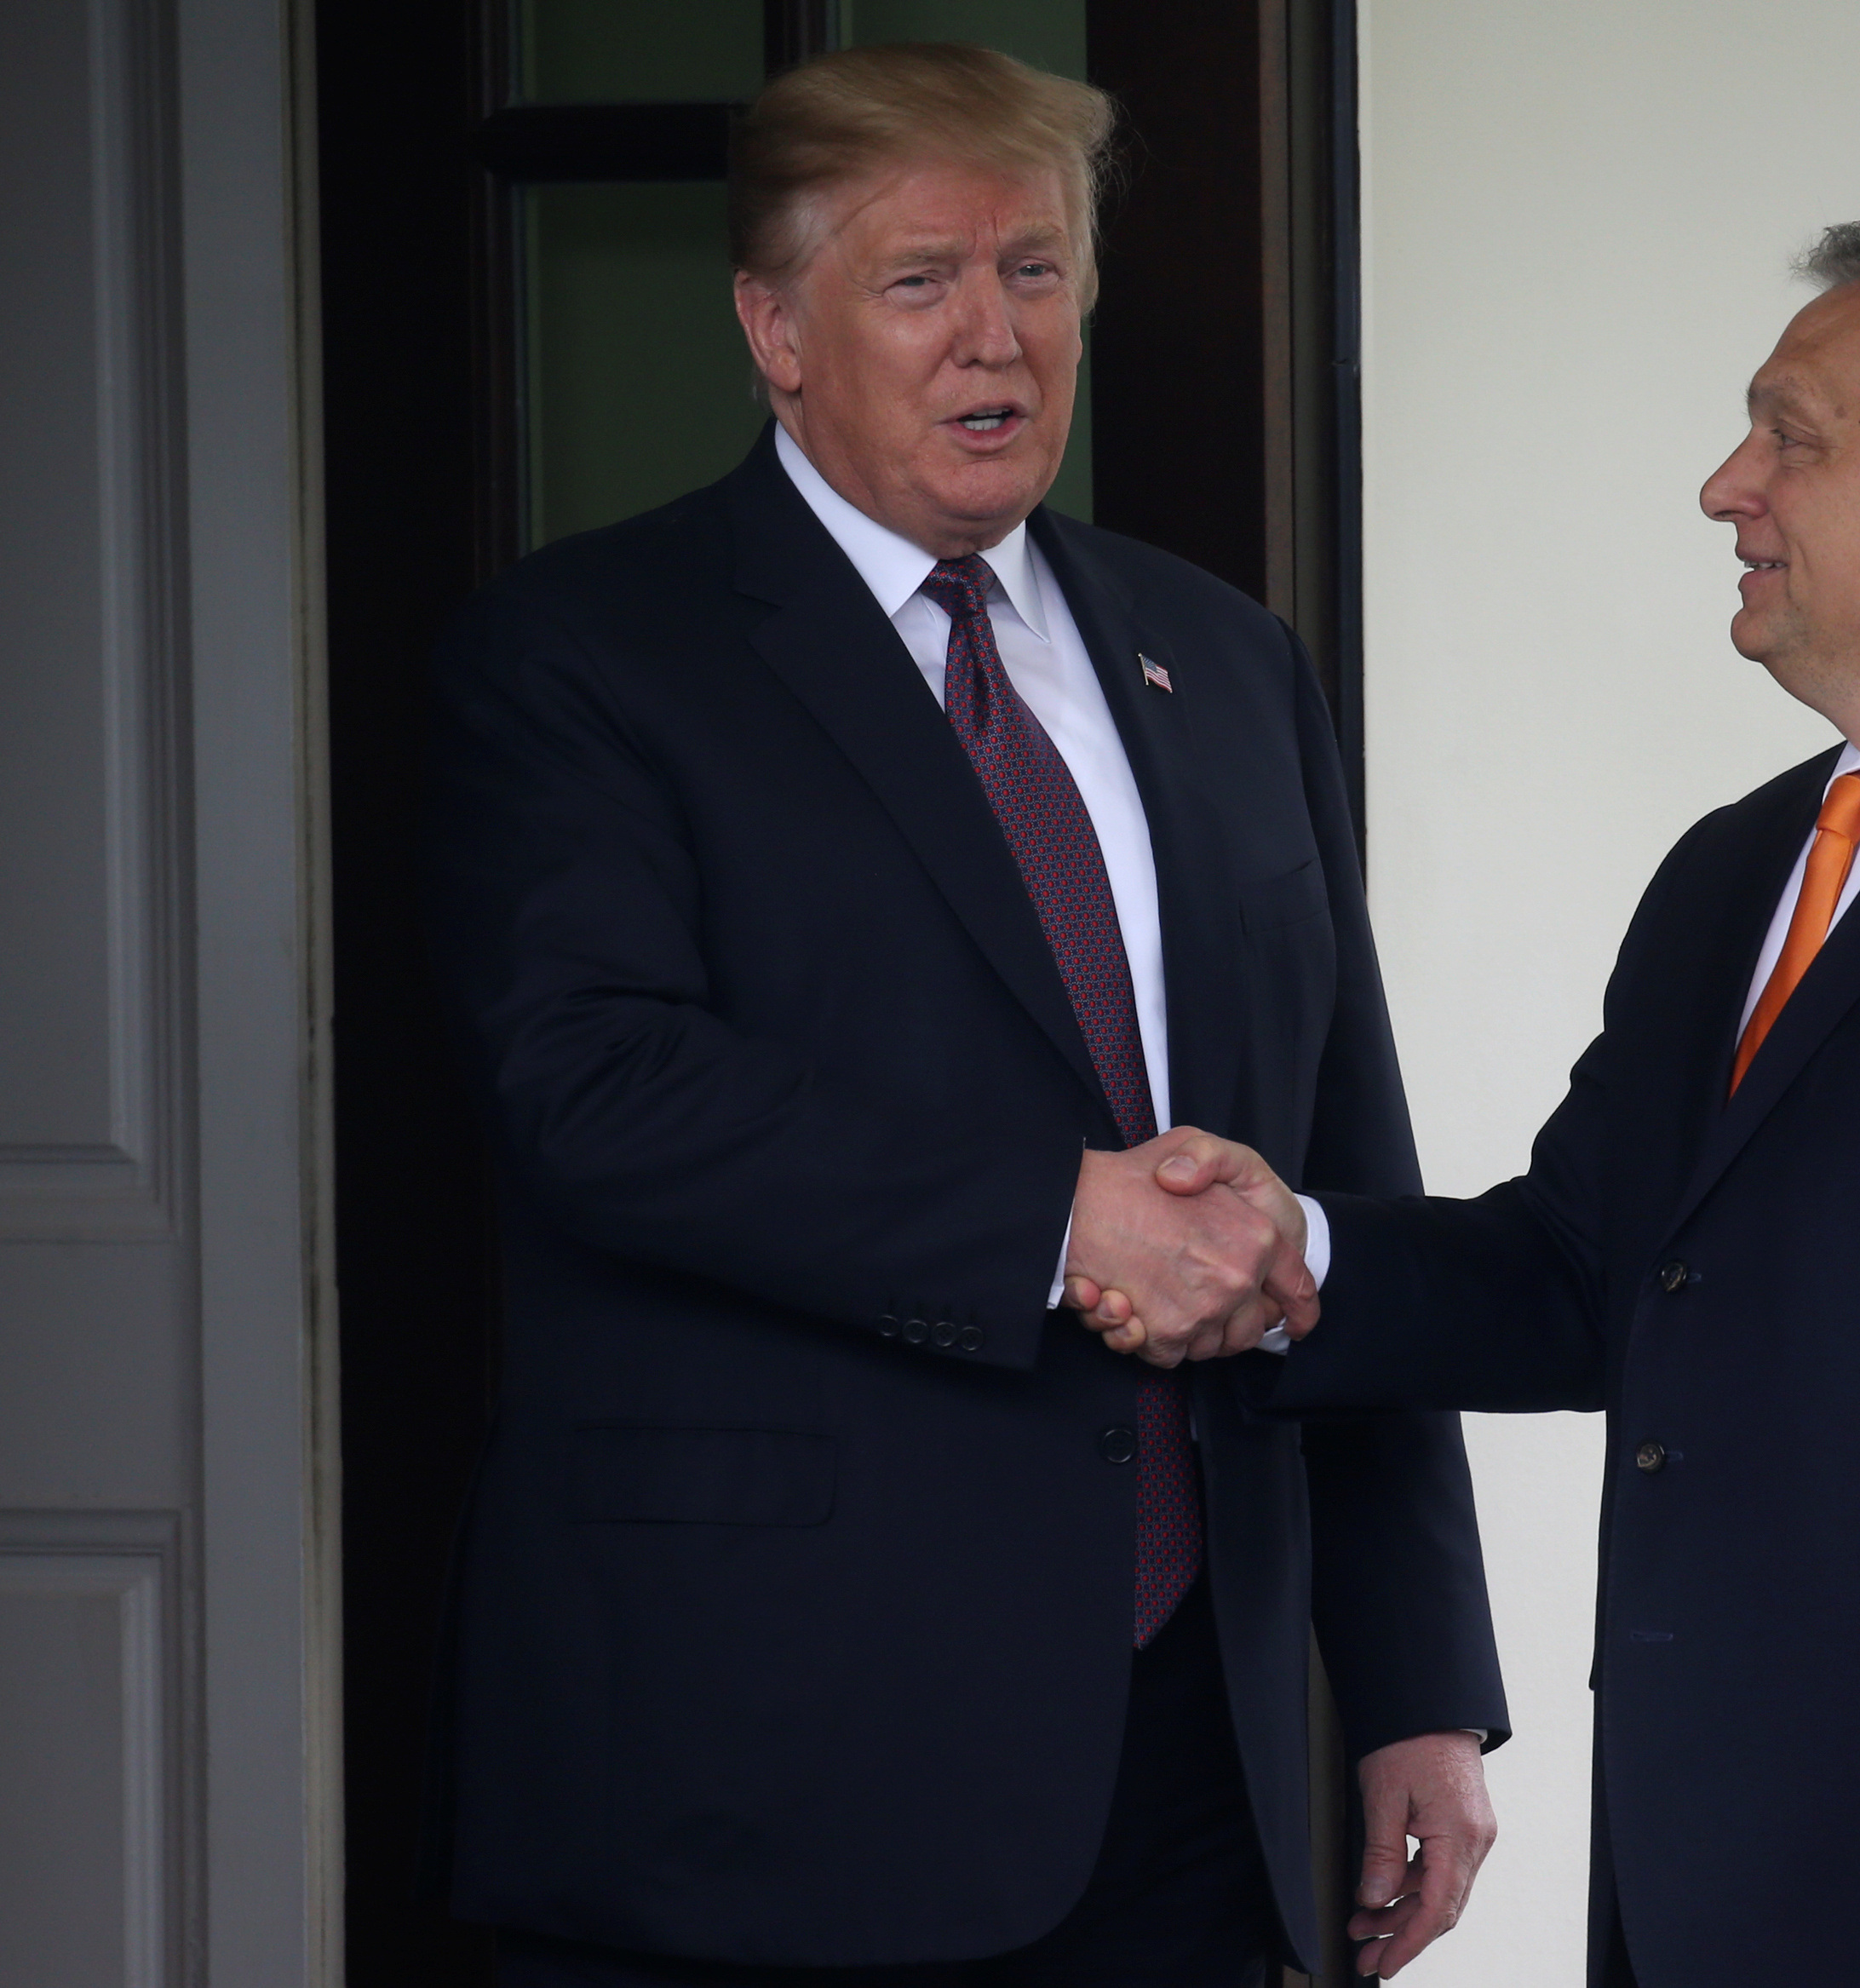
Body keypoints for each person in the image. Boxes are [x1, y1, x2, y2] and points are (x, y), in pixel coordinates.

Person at [1076, 222, 1860, 1986]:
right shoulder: (1737, 871)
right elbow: (1584, 1268)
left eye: (1790, 434)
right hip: (1705, 1867)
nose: (1729, 487)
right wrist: (1283, 1248)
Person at [424, 44, 1503, 1988]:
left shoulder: (1227, 659)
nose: (991, 335)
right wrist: (1056, 1220)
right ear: (773, 326)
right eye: (919, 280)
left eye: (1036, 269)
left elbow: (1346, 1165)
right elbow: (588, 1086)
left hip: (1195, 1751)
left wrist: (1423, 1682)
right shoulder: (584, 653)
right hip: (771, 1752)